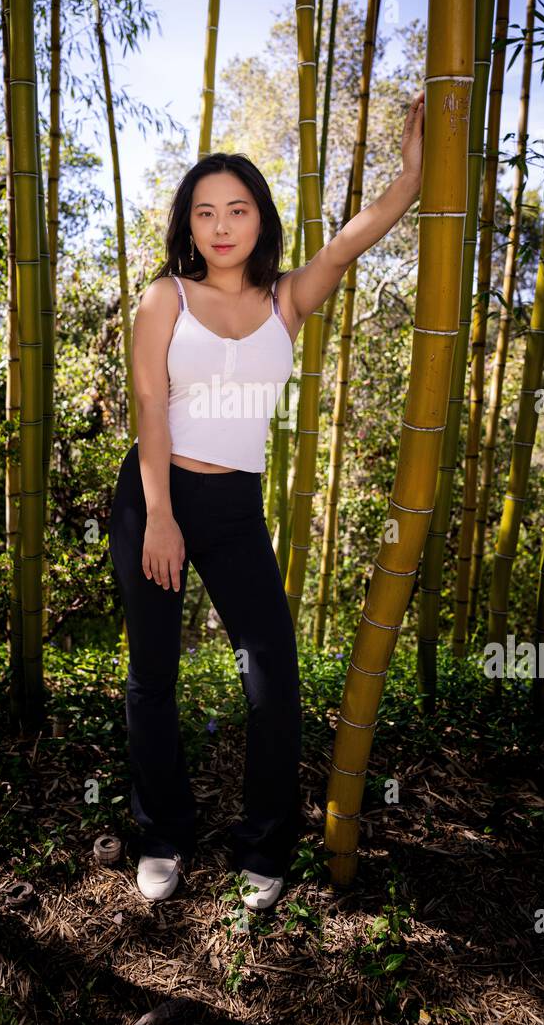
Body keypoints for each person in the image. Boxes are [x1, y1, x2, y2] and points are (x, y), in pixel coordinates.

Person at [108, 91, 424, 909]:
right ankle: (164, 834)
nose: (220, 226)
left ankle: (265, 845)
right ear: (188, 223)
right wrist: (162, 518)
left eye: (236, 209)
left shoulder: (287, 300)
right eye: (205, 211)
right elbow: (149, 407)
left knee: (272, 679)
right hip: (156, 496)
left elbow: (353, 240)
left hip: (235, 509)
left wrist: (412, 173)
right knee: (153, 677)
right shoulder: (164, 298)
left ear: (259, 219)